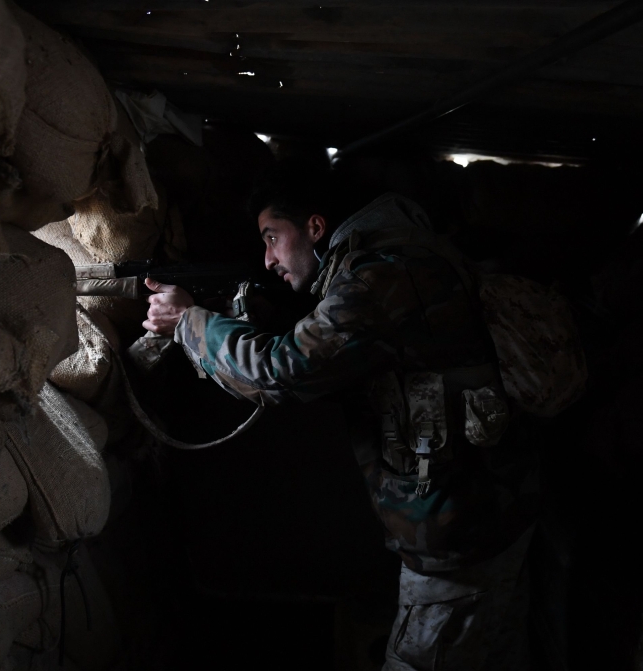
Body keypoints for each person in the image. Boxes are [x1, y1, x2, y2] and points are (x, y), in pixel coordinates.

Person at [143, 165, 537, 670]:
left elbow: (282, 373)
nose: (267, 260)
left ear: (314, 228)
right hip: (490, 513)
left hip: (460, 536)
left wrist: (191, 322)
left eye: (272, 238)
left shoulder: (382, 275)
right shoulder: (402, 256)